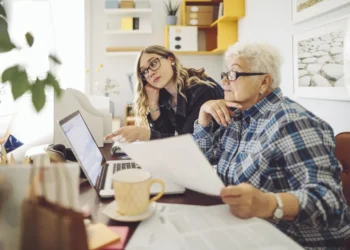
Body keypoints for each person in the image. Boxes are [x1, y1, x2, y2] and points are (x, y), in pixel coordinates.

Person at [193, 42, 350, 249]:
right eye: (225, 73)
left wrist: (268, 203)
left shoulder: (291, 121)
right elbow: (203, 160)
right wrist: (203, 116)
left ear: (264, 82)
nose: (223, 80)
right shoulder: (239, 115)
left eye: (234, 73)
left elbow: (331, 202)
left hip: (296, 241)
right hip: (249, 232)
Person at [104, 45, 224, 143]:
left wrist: (144, 134)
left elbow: (191, 144)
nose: (150, 73)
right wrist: (153, 103)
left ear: (170, 59)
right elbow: (165, 136)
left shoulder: (202, 90)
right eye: (144, 72)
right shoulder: (165, 95)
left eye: (153, 63)